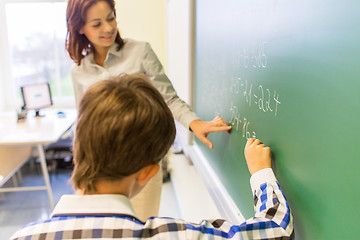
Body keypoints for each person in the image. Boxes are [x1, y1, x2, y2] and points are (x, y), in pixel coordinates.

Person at [11, 74, 294, 240]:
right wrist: (260, 173)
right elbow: (276, 230)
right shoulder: (171, 235)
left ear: (78, 146)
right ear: (148, 172)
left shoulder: (21, 237)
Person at [65, 0, 232, 221]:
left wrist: (194, 123)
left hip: (141, 164)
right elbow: (84, 125)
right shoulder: (78, 71)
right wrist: (82, 168)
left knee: (139, 228)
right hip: (99, 169)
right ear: (80, 28)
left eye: (111, 17)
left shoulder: (140, 51)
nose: (108, 28)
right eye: (96, 24)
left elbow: (168, 98)